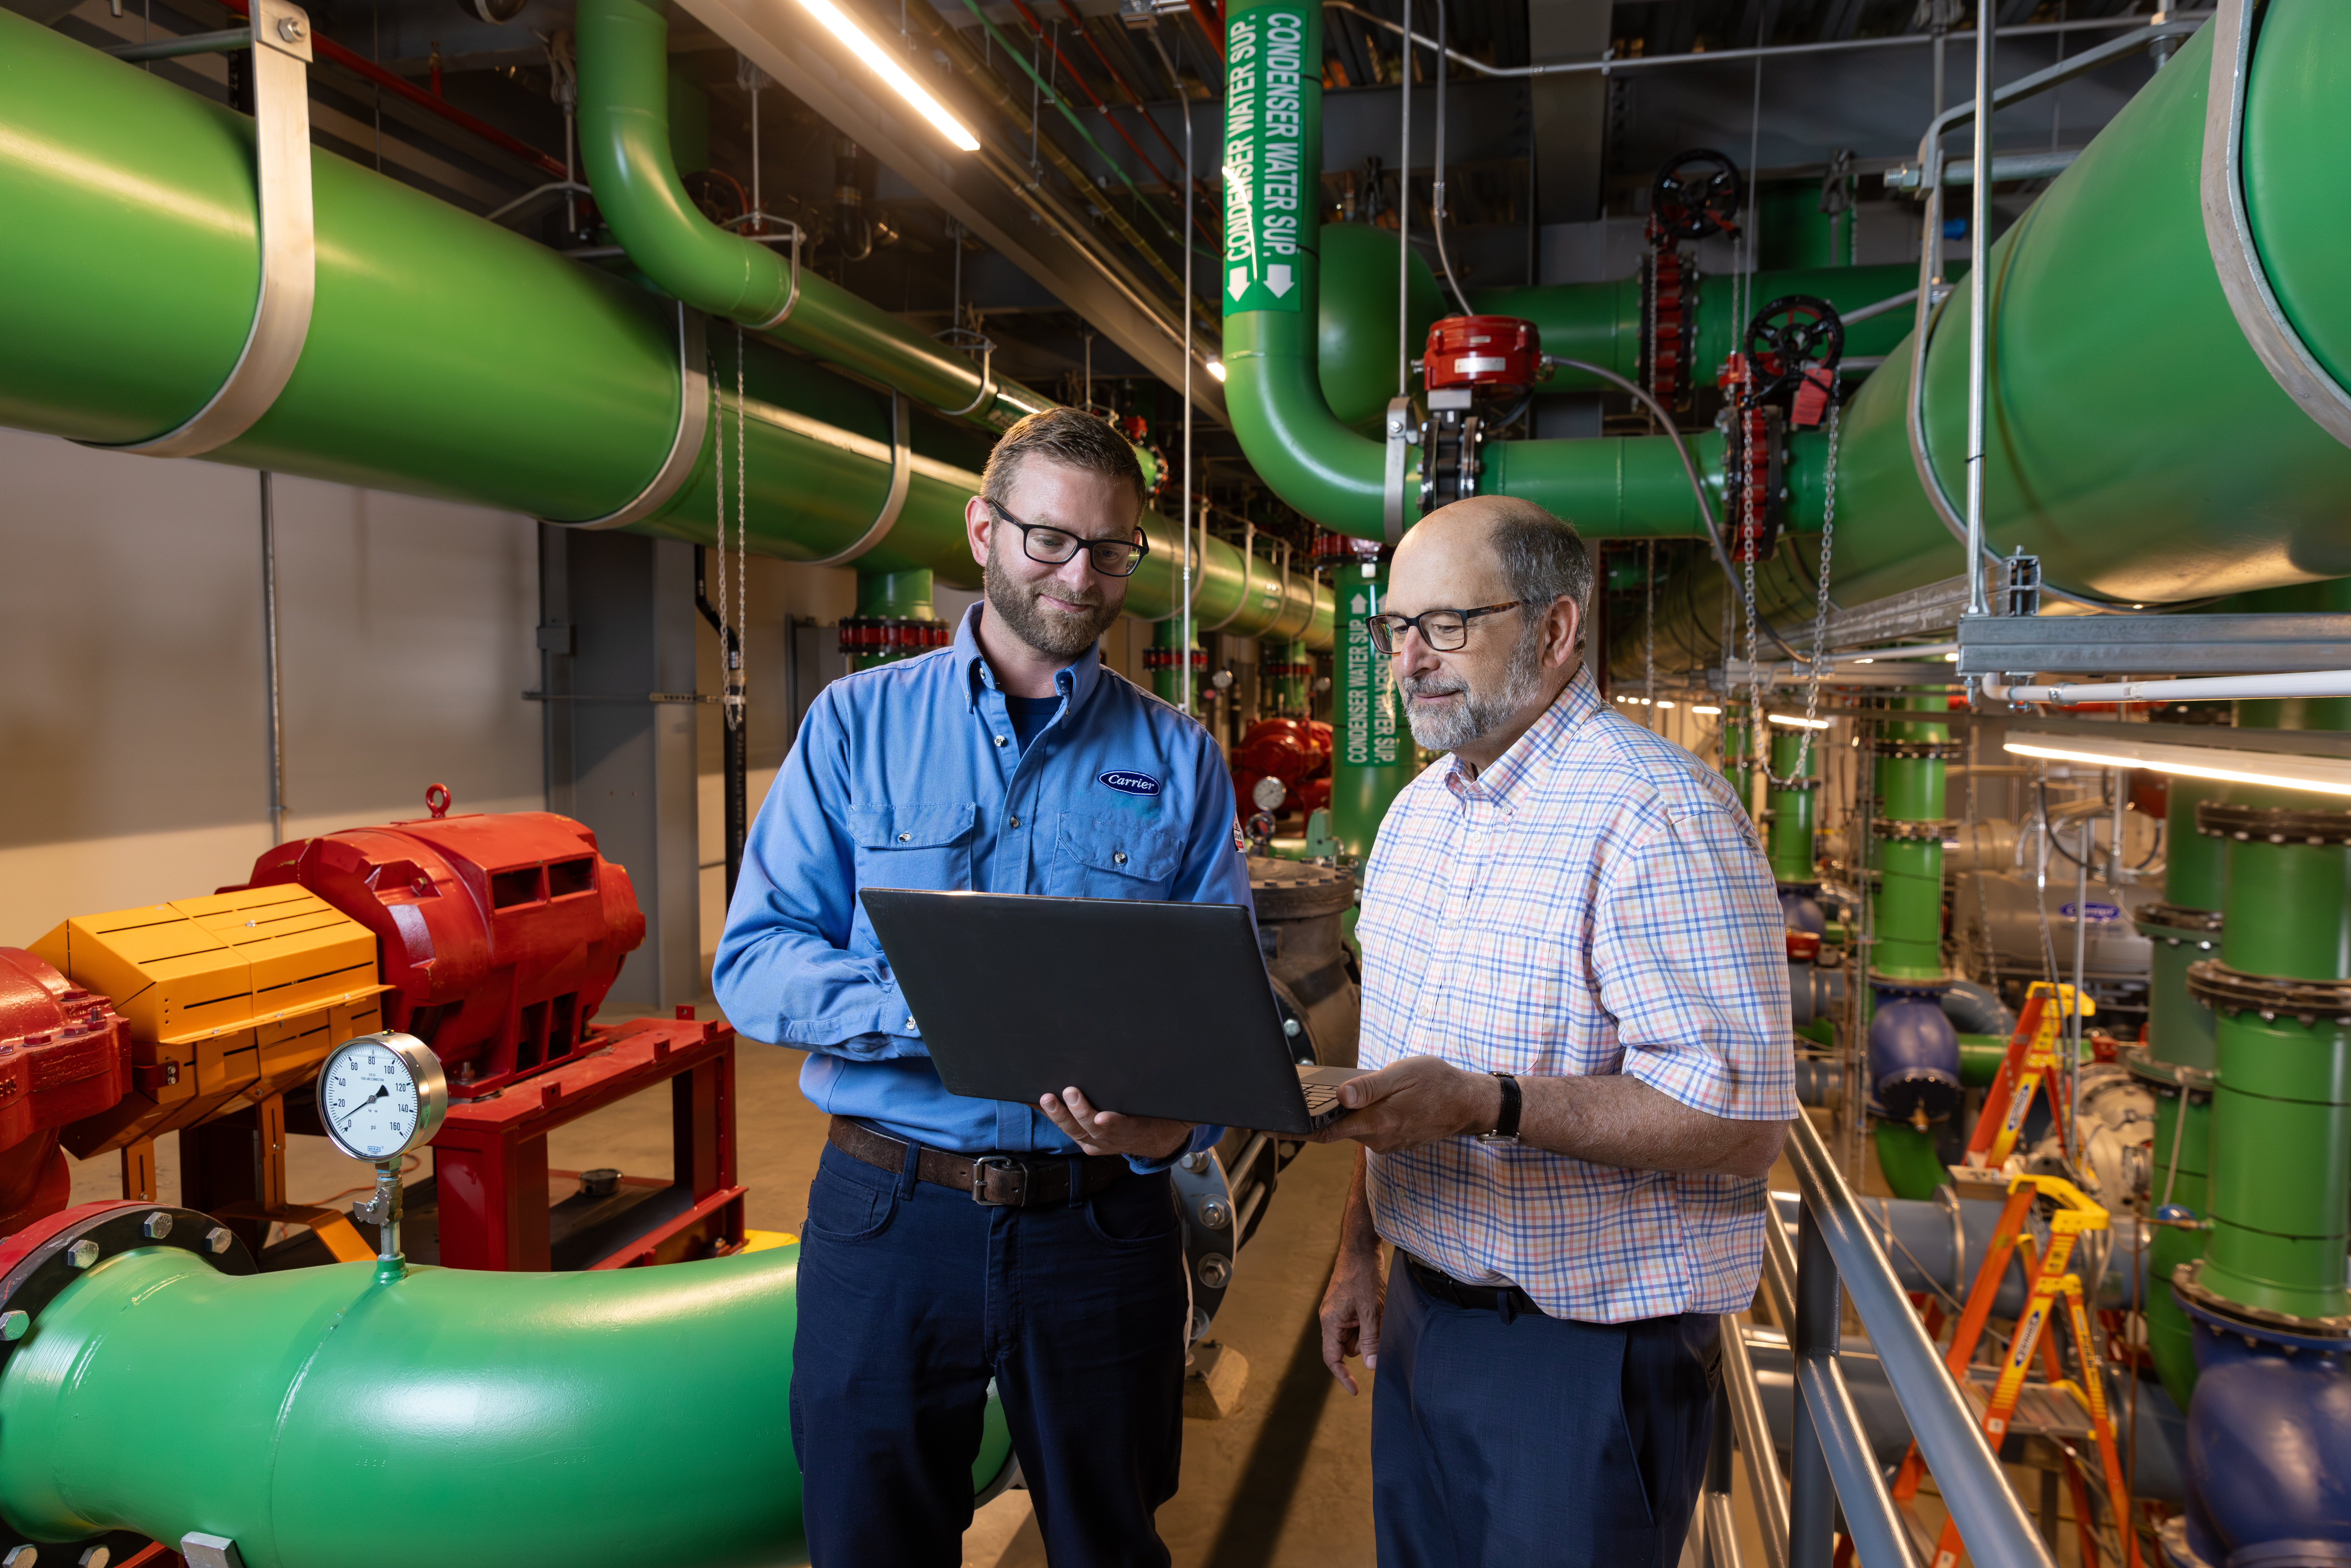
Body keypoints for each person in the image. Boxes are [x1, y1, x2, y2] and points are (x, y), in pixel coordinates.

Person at [714, 408, 1248, 1567]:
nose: (1079, 574)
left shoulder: (1178, 760)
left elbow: (1226, 1020)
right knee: (870, 1538)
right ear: (982, 529)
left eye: (1111, 551)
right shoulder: (855, 727)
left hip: (1101, 1220)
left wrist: (1170, 1127)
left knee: (1110, 1538)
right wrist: (936, 1008)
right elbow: (753, 963)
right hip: (892, 1214)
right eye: (1049, 540)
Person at [1314, 496, 1795, 1568]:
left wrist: (1494, 1104)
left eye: (1448, 625)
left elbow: (1739, 1117)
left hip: (1584, 1360)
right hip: (1426, 1318)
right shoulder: (1416, 816)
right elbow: (1393, 1075)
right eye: (1395, 629)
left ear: (1556, 630)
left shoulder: (1656, 815)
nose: (1410, 659)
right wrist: (1358, 1251)